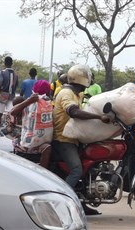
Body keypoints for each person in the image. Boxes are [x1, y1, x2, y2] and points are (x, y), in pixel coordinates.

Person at [51, 64, 110, 215]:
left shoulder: (77, 94)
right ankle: (60, 203)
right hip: (63, 139)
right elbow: (74, 112)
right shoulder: (66, 93)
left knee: (89, 168)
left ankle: (82, 203)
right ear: (82, 80)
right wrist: (99, 117)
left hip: (74, 139)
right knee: (77, 170)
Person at [10, 80, 52, 169]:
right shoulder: (30, 103)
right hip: (27, 144)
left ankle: (42, 173)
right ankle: (43, 173)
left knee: (47, 148)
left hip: (33, 144)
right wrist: (29, 100)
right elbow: (12, 112)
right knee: (47, 148)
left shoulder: (47, 104)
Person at [0, 56, 18, 128]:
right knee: (11, 114)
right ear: (12, 63)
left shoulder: (2, 72)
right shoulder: (16, 75)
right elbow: (16, 85)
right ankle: (10, 129)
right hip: (11, 95)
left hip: (3, 94)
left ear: (5, 63)